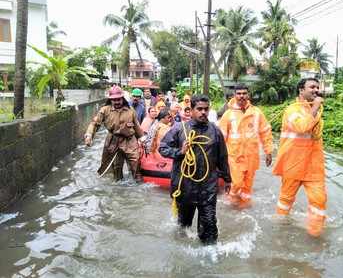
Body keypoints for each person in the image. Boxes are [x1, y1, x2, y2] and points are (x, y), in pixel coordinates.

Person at [159, 95, 231, 244]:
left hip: (208, 188)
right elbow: (163, 148)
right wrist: (180, 152)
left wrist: (227, 178)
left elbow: (222, 157)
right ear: (191, 110)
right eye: (199, 109)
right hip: (185, 186)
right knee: (183, 227)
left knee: (210, 231)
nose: (203, 112)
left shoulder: (215, 132)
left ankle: (209, 260)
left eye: (206, 109)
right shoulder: (180, 129)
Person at [272, 78, 326, 237]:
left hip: (313, 166)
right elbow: (302, 127)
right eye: (312, 87)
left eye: (317, 87)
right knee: (285, 201)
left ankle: (315, 235)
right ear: (301, 90)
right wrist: (315, 106)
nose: (316, 90)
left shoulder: (315, 110)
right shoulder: (292, 110)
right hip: (293, 164)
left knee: (319, 201)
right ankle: (279, 232)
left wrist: (315, 108)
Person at [219, 84, 273, 208]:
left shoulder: (257, 112)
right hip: (234, 157)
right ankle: (230, 205)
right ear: (234, 95)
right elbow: (221, 137)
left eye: (244, 93)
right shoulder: (228, 114)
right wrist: (218, 159)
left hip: (251, 156)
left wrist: (268, 151)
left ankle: (244, 208)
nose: (241, 96)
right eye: (239, 93)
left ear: (248, 95)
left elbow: (265, 132)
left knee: (247, 186)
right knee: (236, 183)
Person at [84, 85, 144, 182]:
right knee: (116, 167)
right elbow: (94, 124)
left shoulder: (130, 110)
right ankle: (118, 185)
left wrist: (142, 139)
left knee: (136, 162)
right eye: (114, 100)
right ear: (110, 100)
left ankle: (137, 182)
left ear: (122, 98)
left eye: (118, 99)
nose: (116, 102)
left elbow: (136, 126)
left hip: (129, 140)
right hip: (113, 140)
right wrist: (89, 135)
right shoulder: (104, 110)